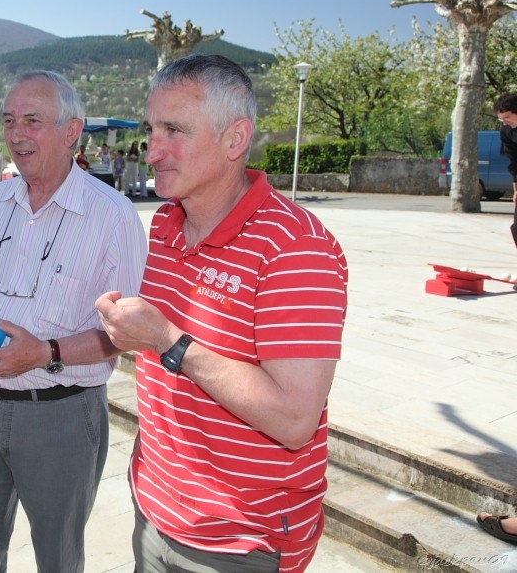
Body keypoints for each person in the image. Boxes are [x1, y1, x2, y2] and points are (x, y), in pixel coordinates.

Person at [95, 54, 349, 573]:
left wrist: (167, 340)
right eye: (151, 128)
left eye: (175, 130)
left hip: (240, 542)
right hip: (157, 510)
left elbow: (295, 419)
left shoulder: (297, 249)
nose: (153, 149)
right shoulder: (165, 225)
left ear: (235, 140)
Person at [0, 70, 147, 572]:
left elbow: (125, 335)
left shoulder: (114, 217)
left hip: (60, 414)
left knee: (58, 560)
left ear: (71, 130)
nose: (16, 135)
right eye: (11, 121)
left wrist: (45, 353)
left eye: (33, 121)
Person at [493, 92, 517, 249]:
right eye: (501, 119)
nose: (505, 122)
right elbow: (514, 160)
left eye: (507, 117)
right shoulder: (507, 131)